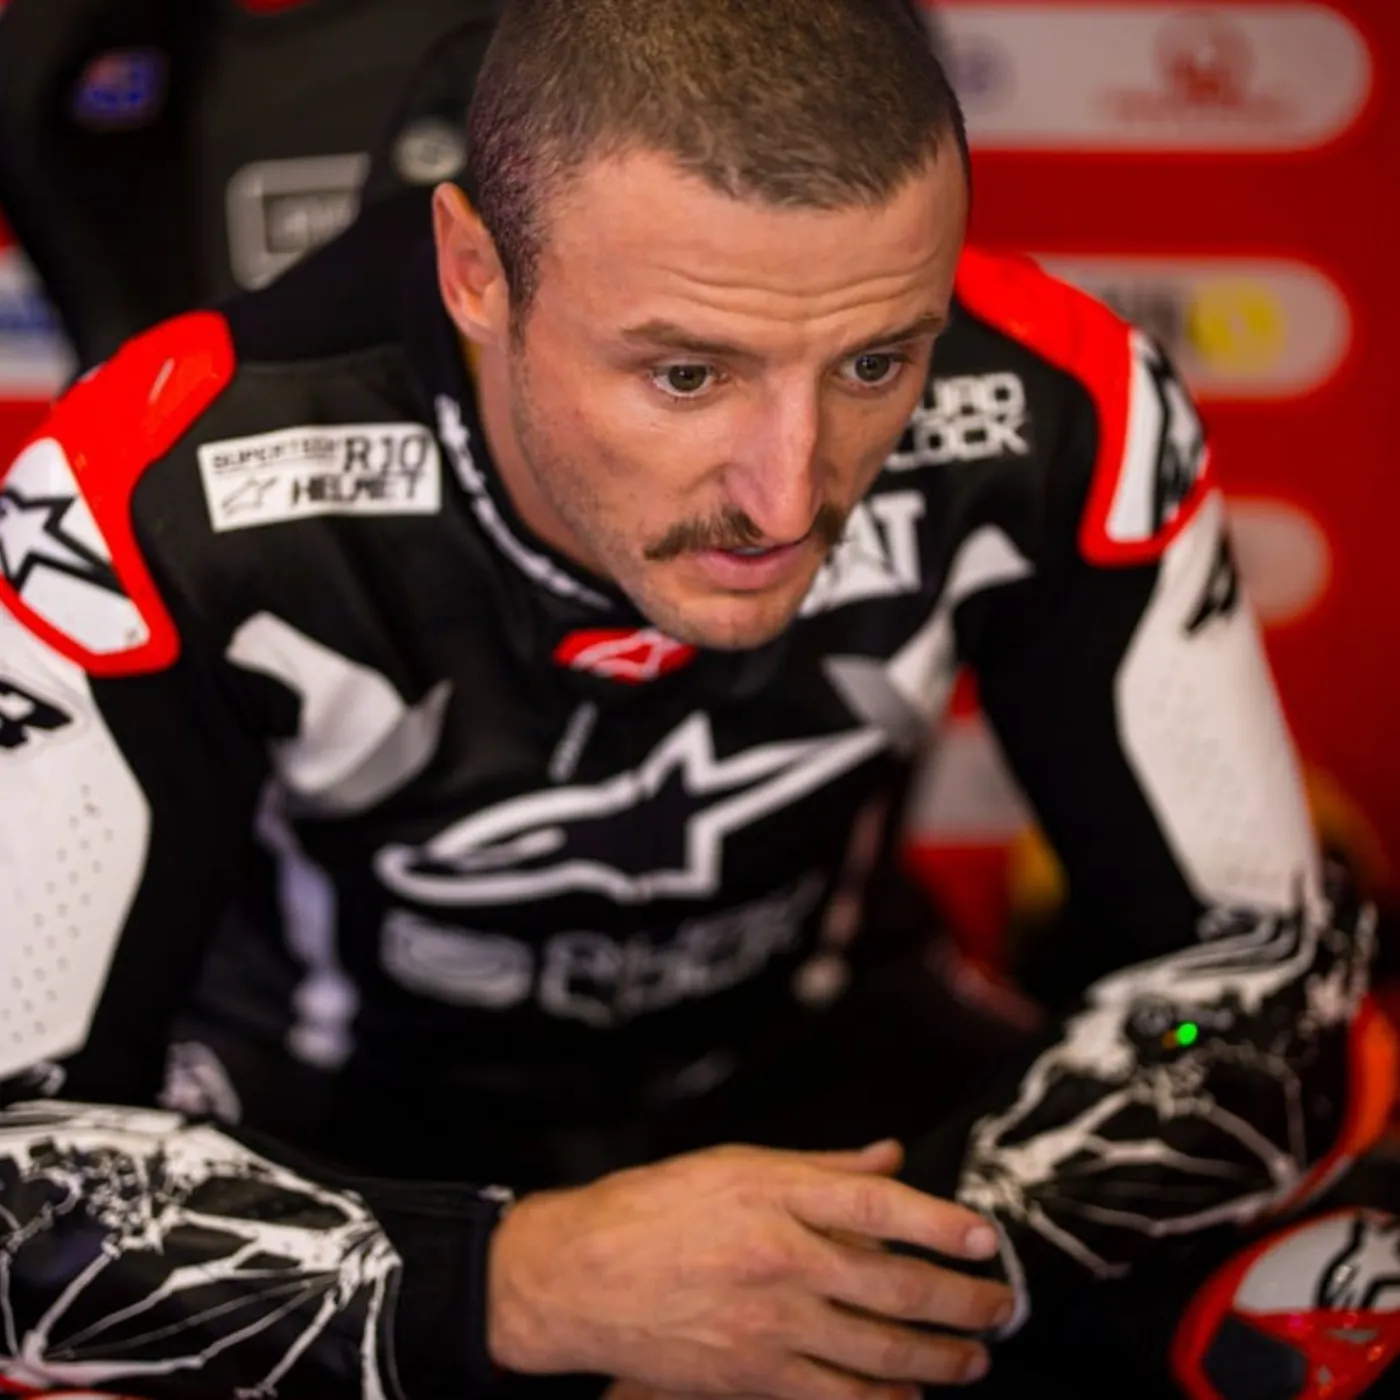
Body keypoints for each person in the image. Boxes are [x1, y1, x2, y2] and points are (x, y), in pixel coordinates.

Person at [0, 1, 1394, 1398]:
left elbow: (1269, 996)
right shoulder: (153, 488)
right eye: (686, 374)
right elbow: (16, 1176)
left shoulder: (1064, 399)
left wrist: (836, 1294)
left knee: (1344, 1281)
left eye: (874, 364)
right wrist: (521, 1287)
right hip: (328, 1134)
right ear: (476, 274)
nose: (787, 497)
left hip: (836, 1088)